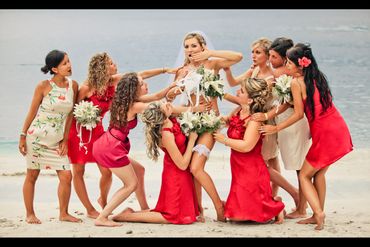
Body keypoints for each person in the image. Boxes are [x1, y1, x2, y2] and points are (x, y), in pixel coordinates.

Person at [68, 52, 174, 218]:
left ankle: (103, 200)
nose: (114, 65)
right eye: (110, 63)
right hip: (79, 133)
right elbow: (71, 111)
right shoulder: (86, 87)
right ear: (101, 68)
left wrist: (165, 70)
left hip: (99, 133)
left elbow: (140, 75)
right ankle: (89, 209)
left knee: (106, 171)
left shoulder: (113, 81)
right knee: (78, 171)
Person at [260, 43, 353, 230]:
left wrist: (275, 128)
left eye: (289, 63)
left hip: (324, 132)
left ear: (299, 65)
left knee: (304, 175)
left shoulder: (296, 82)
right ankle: (315, 213)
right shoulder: (318, 77)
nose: (286, 66)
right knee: (318, 174)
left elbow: (297, 114)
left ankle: (318, 213)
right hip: (338, 127)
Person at [92, 72, 176, 227]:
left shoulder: (124, 100)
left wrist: (172, 86)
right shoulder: (135, 105)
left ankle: (144, 208)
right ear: (134, 89)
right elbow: (158, 107)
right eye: (142, 84)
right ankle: (102, 217)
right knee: (130, 184)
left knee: (140, 170)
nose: (146, 85)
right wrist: (178, 109)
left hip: (107, 143)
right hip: (111, 147)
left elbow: (156, 96)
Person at [111, 101, 200, 224]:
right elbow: (182, 165)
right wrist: (192, 140)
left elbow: (181, 107)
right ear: (161, 114)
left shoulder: (169, 118)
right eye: (163, 104)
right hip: (176, 175)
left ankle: (131, 213)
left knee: (170, 210)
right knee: (172, 216)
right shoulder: (166, 134)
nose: (167, 103)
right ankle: (125, 217)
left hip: (179, 173)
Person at [19, 50, 81, 224]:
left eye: (69, 61)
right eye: (64, 64)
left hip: (56, 140)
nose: (69, 66)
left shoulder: (73, 86)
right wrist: (22, 135)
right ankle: (30, 214)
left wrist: (65, 139)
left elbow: (71, 115)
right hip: (37, 137)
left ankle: (64, 213)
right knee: (32, 175)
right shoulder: (43, 86)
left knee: (66, 175)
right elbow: (32, 112)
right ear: (54, 69)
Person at [253, 37, 311, 219]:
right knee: (298, 165)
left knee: (300, 166)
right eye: (269, 55)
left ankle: (301, 206)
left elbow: (286, 103)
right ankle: (301, 203)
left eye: (274, 56)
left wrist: (267, 116)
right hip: (287, 121)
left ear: (285, 58)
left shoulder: (281, 74)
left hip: (291, 122)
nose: (270, 60)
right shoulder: (291, 72)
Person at [213, 77, 285, 223]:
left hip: (252, 170)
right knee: (235, 218)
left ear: (251, 100)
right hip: (238, 167)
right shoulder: (239, 110)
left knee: (247, 218)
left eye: (242, 91)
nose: (237, 92)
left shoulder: (255, 120)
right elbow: (228, 121)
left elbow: (247, 146)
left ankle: (277, 204)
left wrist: (224, 140)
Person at [222, 38, 281, 198]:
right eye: (252, 52)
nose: (253, 56)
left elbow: (247, 101)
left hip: (262, 118)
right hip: (251, 115)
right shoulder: (254, 70)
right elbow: (234, 83)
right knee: (268, 160)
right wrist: (227, 71)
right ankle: (270, 195)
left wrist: (220, 94)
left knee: (266, 160)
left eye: (258, 52)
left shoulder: (271, 78)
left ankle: (278, 194)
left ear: (268, 55)